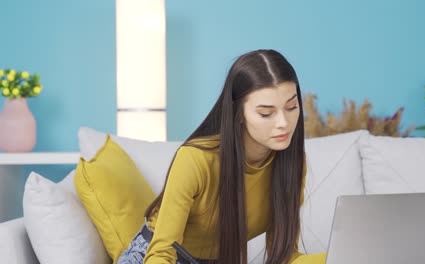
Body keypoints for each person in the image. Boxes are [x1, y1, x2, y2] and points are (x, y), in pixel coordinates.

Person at [117, 49, 327, 264]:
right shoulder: (195, 159)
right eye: (266, 113)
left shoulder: (292, 164)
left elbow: (284, 257)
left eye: (291, 107)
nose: (283, 122)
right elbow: (162, 252)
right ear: (239, 113)